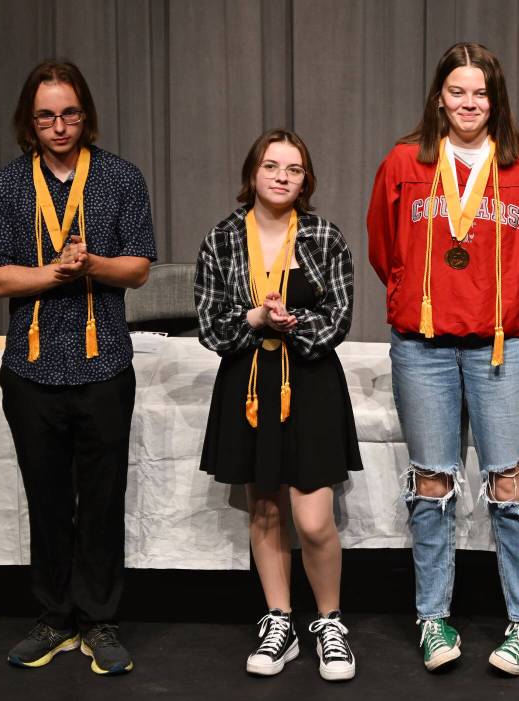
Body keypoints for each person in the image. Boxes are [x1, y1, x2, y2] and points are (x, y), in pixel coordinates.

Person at [366, 41, 519, 675]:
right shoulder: (405, 162)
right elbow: (386, 249)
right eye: (457, 91)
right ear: (439, 96)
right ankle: (434, 618)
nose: (468, 103)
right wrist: (414, 296)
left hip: (501, 349)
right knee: (431, 484)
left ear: (496, 100)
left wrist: (518, 311)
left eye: (480, 93)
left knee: (509, 483)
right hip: (423, 348)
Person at [0, 60, 156, 675]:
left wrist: (92, 265)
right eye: (47, 115)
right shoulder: (7, 185)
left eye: (70, 113)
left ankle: (99, 620)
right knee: (47, 499)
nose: (60, 125)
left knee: (103, 500)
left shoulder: (119, 178)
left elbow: (136, 268)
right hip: (30, 371)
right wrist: (59, 271)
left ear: (86, 115)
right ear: (31, 119)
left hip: (103, 363)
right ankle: (54, 617)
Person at [195, 129, 362, 681]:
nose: (282, 176)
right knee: (264, 508)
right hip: (247, 380)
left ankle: (330, 622)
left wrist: (292, 322)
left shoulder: (322, 237)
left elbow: (338, 316)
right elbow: (210, 324)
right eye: (272, 166)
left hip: (308, 382)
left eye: (294, 169)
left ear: (305, 180)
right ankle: (279, 621)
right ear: (253, 173)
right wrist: (256, 319)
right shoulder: (223, 238)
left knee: (312, 519)